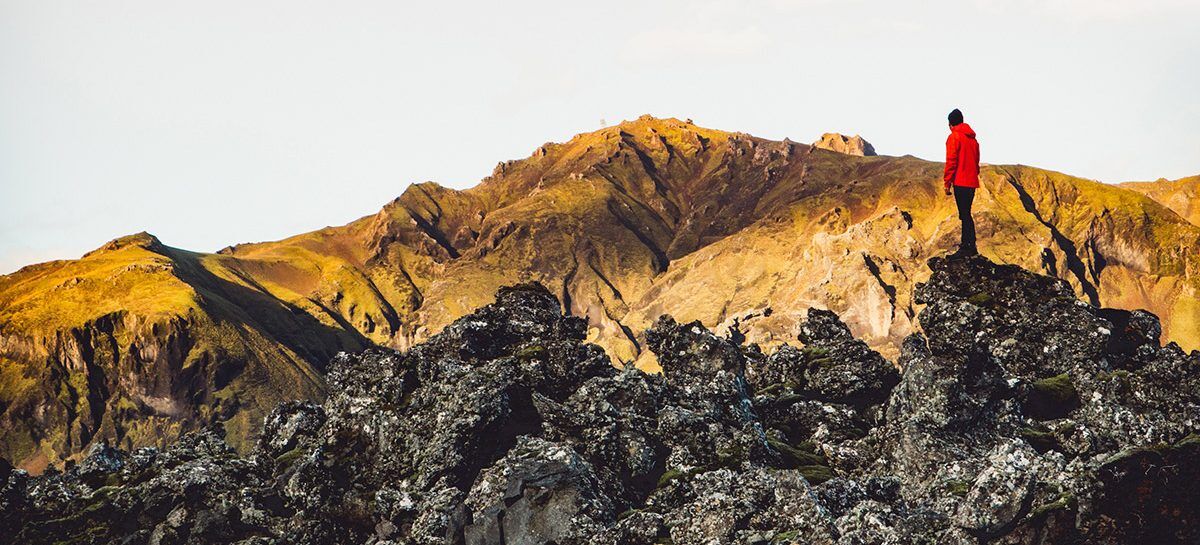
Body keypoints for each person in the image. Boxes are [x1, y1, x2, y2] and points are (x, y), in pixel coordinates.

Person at [944, 108, 980, 259]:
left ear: (950, 123)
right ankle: (969, 246)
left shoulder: (954, 137)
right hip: (971, 181)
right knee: (966, 214)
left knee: (964, 214)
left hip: (960, 180)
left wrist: (947, 182)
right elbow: (976, 161)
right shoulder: (973, 140)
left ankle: (967, 247)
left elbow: (951, 161)